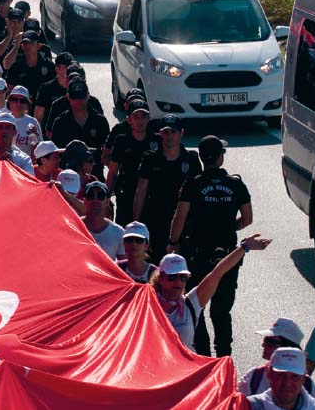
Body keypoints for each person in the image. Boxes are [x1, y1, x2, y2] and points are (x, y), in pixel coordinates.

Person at [169, 135, 253, 358]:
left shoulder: (194, 183)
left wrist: (173, 242)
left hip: (197, 253)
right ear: (219, 157)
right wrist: (227, 227)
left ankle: (203, 355)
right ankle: (224, 356)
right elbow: (247, 219)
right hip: (226, 256)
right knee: (222, 309)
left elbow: (180, 216)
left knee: (196, 304)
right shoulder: (235, 184)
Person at [151, 235, 270, 351]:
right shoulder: (147, 304)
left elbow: (217, 273)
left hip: (184, 369)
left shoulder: (191, 303)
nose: (178, 281)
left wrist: (244, 248)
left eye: (183, 277)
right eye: (172, 277)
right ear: (160, 278)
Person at [134, 115, 202, 262]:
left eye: (173, 131)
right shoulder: (150, 158)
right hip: (155, 220)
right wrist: (137, 223)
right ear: (160, 133)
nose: (169, 136)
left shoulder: (190, 159)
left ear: (181, 133)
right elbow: (141, 192)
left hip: (183, 223)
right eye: (166, 132)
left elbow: (198, 195)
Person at [105, 99, 159, 225]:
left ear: (149, 118)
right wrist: (106, 199)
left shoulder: (157, 141)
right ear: (129, 119)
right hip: (127, 194)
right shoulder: (122, 141)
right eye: (136, 116)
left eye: (143, 116)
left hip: (152, 197)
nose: (140, 121)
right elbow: (113, 172)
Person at [240, 319, 315, 400]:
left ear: (288, 347)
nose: (263, 344)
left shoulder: (307, 384)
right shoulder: (254, 376)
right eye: (265, 340)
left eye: (270, 341)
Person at [245, 348, 315, 410]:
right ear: (269, 375)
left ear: (303, 378)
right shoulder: (248, 406)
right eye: (281, 375)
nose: (287, 383)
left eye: (294, 376)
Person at [80, 181, 124, 259]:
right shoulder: (74, 227)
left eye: (100, 196)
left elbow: (123, 266)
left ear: (107, 201)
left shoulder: (118, 233)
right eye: (91, 196)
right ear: (84, 201)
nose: (95, 200)